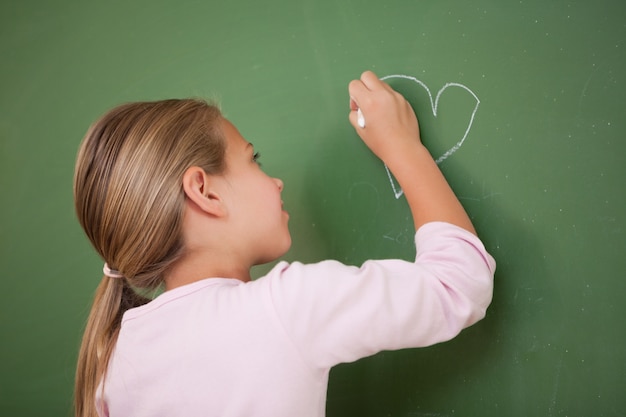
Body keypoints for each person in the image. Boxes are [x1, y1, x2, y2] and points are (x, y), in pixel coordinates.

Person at [73, 70, 495, 417]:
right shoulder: (284, 306)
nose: (275, 181)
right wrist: (402, 145)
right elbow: (458, 286)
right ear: (205, 192)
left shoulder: (116, 358)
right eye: (253, 158)